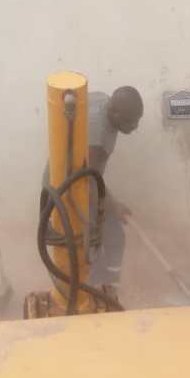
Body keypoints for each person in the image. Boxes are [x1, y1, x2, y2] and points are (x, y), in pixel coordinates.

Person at [43, 86, 143, 290]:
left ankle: (106, 285)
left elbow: (90, 176)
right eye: (130, 121)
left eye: (137, 120)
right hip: (69, 187)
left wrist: (112, 204)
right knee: (99, 238)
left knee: (109, 234)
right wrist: (113, 206)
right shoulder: (98, 138)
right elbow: (88, 182)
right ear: (114, 113)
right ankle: (98, 289)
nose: (134, 127)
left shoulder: (103, 100)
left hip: (75, 179)